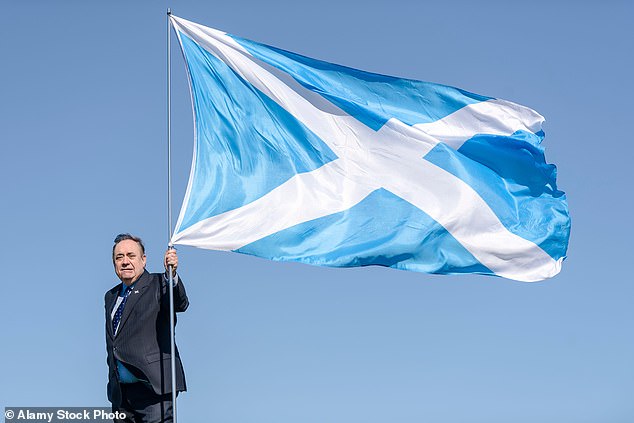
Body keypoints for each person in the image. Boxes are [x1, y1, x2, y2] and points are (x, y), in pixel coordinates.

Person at [105, 233, 189, 422]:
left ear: (143, 260)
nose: (125, 261)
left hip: (153, 388)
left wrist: (172, 274)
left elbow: (180, 303)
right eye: (119, 257)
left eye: (131, 255)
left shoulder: (159, 283)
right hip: (121, 395)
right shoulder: (110, 297)